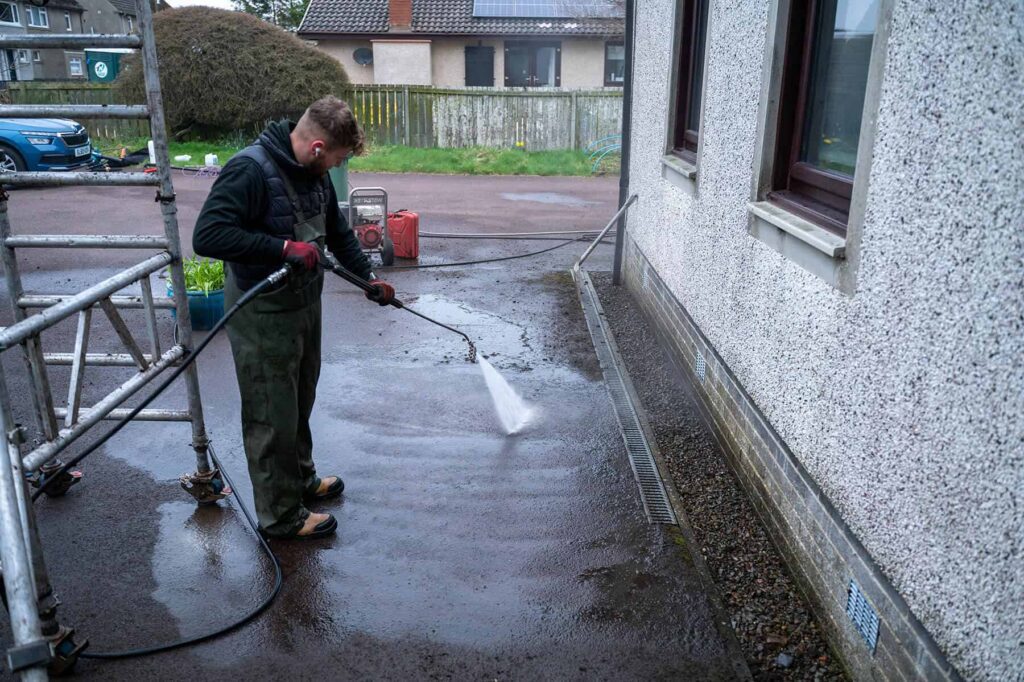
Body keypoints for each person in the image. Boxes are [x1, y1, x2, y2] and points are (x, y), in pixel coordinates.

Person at [192, 96, 395, 539]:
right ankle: (281, 515)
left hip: (303, 303)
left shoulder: (314, 174)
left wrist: (368, 279)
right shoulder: (250, 169)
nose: (336, 166)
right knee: (270, 413)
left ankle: (300, 481)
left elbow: (337, 232)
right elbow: (207, 235)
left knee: (299, 401)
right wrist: (282, 248)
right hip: (263, 310)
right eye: (338, 158)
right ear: (318, 147)